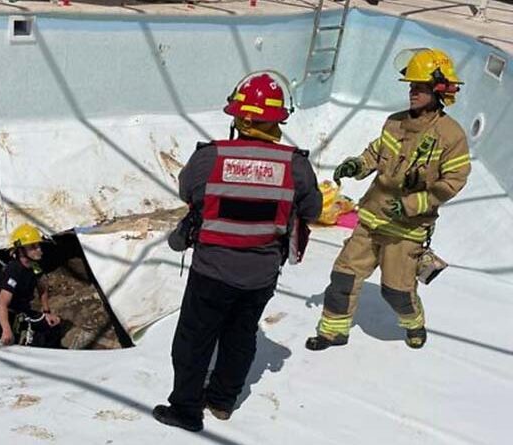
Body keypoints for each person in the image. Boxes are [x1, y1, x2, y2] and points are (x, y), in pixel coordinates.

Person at [153, 71, 323, 432]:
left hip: (211, 271)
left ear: (239, 118)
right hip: (260, 275)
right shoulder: (296, 165)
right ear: (277, 121)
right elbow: (313, 211)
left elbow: (189, 193)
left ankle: (185, 409)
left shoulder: (209, 157)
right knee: (240, 336)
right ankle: (222, 401)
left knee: (193, 340)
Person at [305, 48, 471, 351]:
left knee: (397, 291)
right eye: (411, 87)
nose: (412, 92)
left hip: (407, 229)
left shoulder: (451, 136)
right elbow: (377, 152)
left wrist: (410, 205)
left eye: (419, 88)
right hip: (371, 217)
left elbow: (453, 182)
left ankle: (414, 323)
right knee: (343, 276)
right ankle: (333, 332)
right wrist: (358, 165)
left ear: (438, 91)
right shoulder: (394, 123)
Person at [0, 223, 62, 348]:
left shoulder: (35, 267)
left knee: (54, 325)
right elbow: (2, 303)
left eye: (38, 245)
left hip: (23, 312)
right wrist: (6, 330)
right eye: (33, 247)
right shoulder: (14, 270)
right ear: (21, 250)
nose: (39, 249)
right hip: (5, 316)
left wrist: (46, 312)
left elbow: (42, 288)